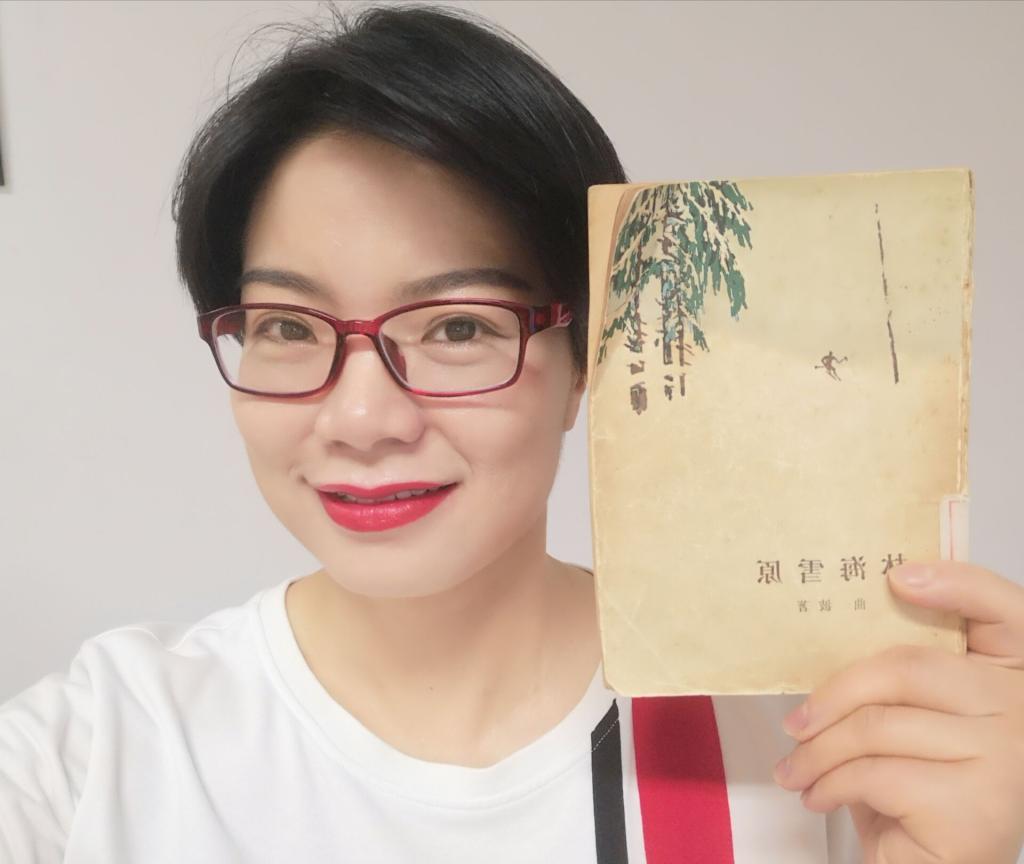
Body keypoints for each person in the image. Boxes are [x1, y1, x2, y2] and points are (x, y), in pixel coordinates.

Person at [2, 4, 1023, 863]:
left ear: (590, 363)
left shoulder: (826, 747)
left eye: (457, 327)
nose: (362, 419)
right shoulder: (94, 753)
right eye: (287, 327)